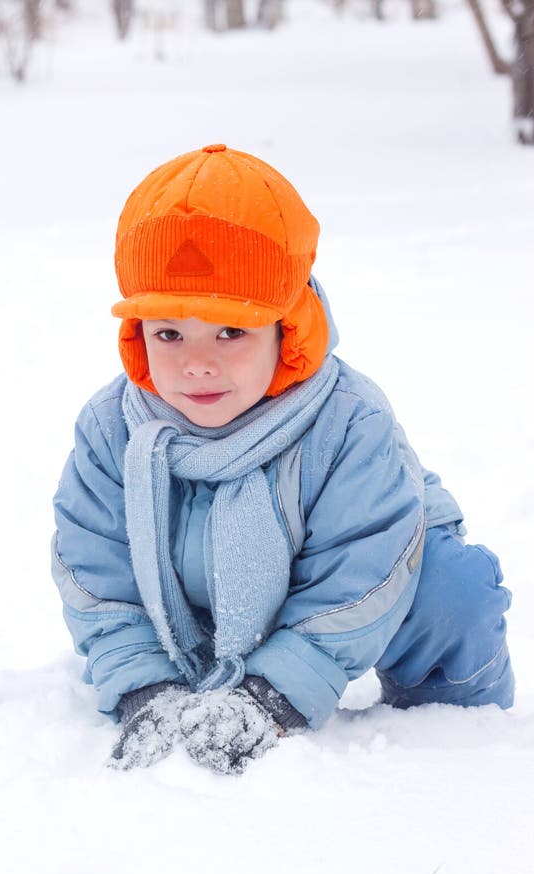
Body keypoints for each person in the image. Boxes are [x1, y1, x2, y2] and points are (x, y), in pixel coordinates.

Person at [51, 144, 514, 775]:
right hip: (203, 591)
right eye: (169, 333)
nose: (197, 361)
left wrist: (271, 698)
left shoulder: (348, 422)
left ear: (286, 326)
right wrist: (143, 688)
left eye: (230, 331)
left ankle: (453, 737)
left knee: (451, 590)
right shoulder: (114, 429)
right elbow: (95, 575)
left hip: (374, 586)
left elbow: (361, 576)